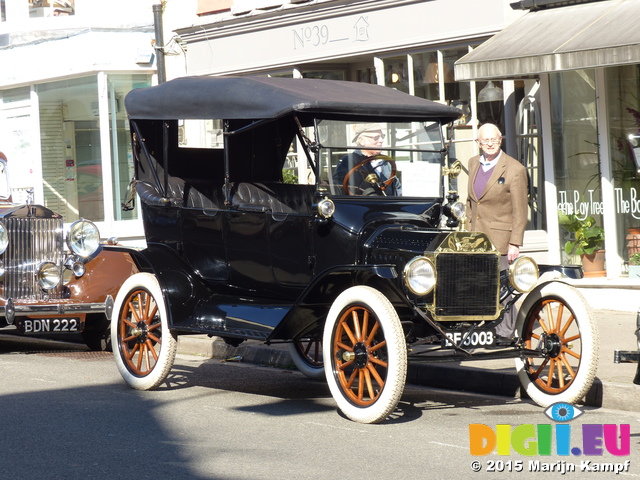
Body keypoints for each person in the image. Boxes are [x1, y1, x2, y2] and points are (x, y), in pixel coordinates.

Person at [466, 123, 528, 345]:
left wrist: (515, 243)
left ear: (500, 140)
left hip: (501, 238)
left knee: (504, 287)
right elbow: (471, 202)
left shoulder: (515, 169)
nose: (490, 144)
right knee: (480, 283)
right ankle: (485, 326)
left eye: (494, 140)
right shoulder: (473, 163)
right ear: (478, 143)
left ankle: (506, 332)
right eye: (485, 141)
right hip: (475, 238)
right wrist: (466, 231)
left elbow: (521, 210)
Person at [332, 123, 401, 196]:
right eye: (376, 137)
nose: (381, 140)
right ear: (361, 140)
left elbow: (397, 188)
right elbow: (338, 187)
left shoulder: (386, 162)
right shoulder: (348, 161)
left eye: (382, 136)